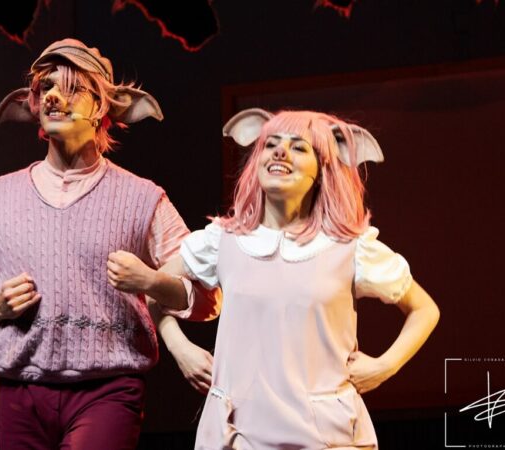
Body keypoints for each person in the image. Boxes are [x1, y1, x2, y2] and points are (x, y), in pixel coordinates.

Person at [108, 109, 441, 449]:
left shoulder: (350, 248)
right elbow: (152, 286)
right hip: (238, 433)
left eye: (299, 147)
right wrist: (182, 350)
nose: (280, 152)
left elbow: (424, 310)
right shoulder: (223, 240)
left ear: (322, 169)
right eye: (271, 144)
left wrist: (384, 366)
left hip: (324, 433)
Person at [0, 38, 219, 449]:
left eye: (72, 88)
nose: (54, 97)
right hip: (21, 390)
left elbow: (205, 294)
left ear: (100, 106)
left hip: (107, 389)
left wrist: (151, 281)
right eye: (46, 87)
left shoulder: (142, 198)